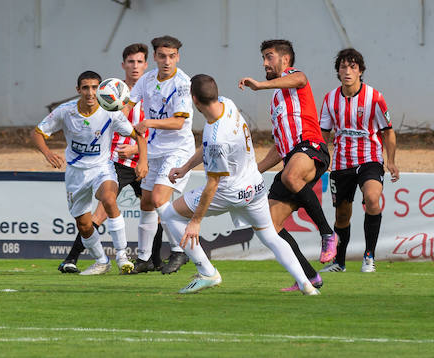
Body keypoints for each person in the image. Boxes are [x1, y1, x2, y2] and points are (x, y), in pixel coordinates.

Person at [160, 74, 317, 295]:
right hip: (254, 186)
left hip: (229, 191)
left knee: (170, 215)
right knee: (270, 236)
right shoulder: (227, 104)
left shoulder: (216, 138)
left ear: (195, 100)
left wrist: (196, 221)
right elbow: (206, 146)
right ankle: (306, 284)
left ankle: (207, 272)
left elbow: (213, 183)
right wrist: (186, 167)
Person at [30, 71, 147, 275]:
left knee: (109, 200)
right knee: (84, 225)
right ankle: (102, 261)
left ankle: (122, 256)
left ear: (101, 89)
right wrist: (47, 153)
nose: (90, 92)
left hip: (102, 168)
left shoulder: (110, 111)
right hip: (76, 173)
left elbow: (139, 136)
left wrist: (143, 161)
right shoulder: (65, 111)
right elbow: (37, 133)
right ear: (78, 90)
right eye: (85, 88)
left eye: (94, 87)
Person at [238, 39, 333, 291]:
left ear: (285, 60)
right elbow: (281, 146)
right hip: (292, 156)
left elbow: (301, 79)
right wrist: (254, 170)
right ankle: (309, 275)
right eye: (264, 58)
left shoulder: (294, 77)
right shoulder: (277, 99)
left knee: (291, 177)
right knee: (269, 225)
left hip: (312, 148)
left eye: (269, 57)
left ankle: (327, 233)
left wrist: (260, 86)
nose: (264, 63)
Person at [58, 43, 159, 274]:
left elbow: (157, 132)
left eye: (140, 62)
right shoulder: (109, 94)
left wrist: (138, 152)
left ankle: (154, 261)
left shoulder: (152, 94)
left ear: (146, 64)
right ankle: (73, 257)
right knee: (104, 208)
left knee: (156, 206)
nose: (135, 66)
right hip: (115, 159)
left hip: (144, 157)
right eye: (130, 62)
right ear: (123, 65)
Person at [318, 48, 399, 273]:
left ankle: (369, 256)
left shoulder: (375, 97)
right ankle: (340, 263)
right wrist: (318, 159)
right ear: (338, 71)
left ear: (360, 71)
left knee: (373, 199)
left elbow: (389, 131)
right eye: (343, 66)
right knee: (342, 215)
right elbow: (323, 133)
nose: (347, 71)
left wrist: (390, 161)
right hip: (342, 163)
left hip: (370, 159)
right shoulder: (330, 99)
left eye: (352, 67)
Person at [123, 35, 194, 275]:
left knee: (160, 200)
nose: (167, 61)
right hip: (154, 149)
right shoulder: (147, 79)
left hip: (178, 150)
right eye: (162, 56)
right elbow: (128, 106)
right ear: (154, 57)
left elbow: (177, 123)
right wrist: (112, 115)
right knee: (146, 203)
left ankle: (179, 251)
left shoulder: (183, 84)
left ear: (178, 57)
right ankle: (144, 259)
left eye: (172, 56)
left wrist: (147, 122)